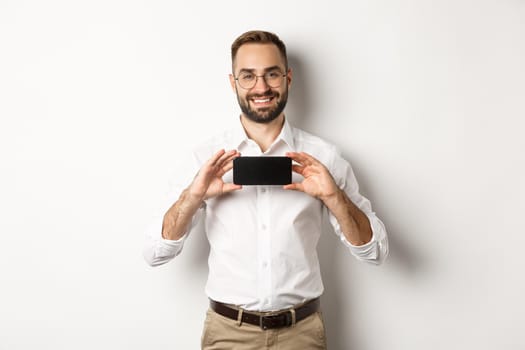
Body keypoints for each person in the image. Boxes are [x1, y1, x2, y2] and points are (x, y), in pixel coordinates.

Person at [143, 30, 388, 350]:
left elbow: (375, 252)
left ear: (288, 78)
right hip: (228, 333)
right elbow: (154, 253)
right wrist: (193, 197)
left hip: (301, 333)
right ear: (233, 83)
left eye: (271, 74)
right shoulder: (206, 157)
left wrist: (334, 197)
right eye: (248, 76)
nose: (261, 87)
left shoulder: (324, 157)